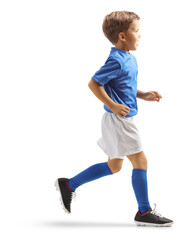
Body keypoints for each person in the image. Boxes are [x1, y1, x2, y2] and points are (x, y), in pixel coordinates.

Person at [55, 10, 173, 227]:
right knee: (141, 161)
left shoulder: (129, 58)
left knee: (115, 166)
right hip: (119, 120)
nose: (140, 35)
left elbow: (123, 86)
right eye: (136, 31)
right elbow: (94, 83)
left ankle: (69, 185)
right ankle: (144, 212)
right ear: (122, 36)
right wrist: (112, 105)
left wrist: (143, 94)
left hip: (119, 119)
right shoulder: (116, 60)